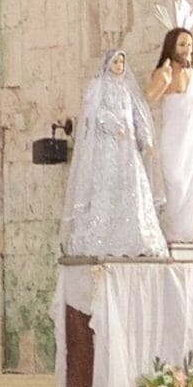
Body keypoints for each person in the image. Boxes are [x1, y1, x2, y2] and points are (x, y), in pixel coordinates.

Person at [60, 51, 168, 262]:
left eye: (122, 62)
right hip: (108, 147)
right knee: (107, 185)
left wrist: (146, 140)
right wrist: (113, 125)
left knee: (133, 187)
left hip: (128, 148)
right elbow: (96, 114)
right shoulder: (100, 86)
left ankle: (137, 238)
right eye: (115, 62)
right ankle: (103, 237)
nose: (119, 66)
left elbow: (138, 115)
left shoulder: (128, 89)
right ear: (108, 64)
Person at [140, 18, 193, 249]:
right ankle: (172, 232)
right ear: (171, 47)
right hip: (173, 138)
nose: (187, 49)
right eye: (181, 45)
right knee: (175, 181)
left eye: (189, 44)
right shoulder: (163, 72)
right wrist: (164, 80)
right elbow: (149, 99)